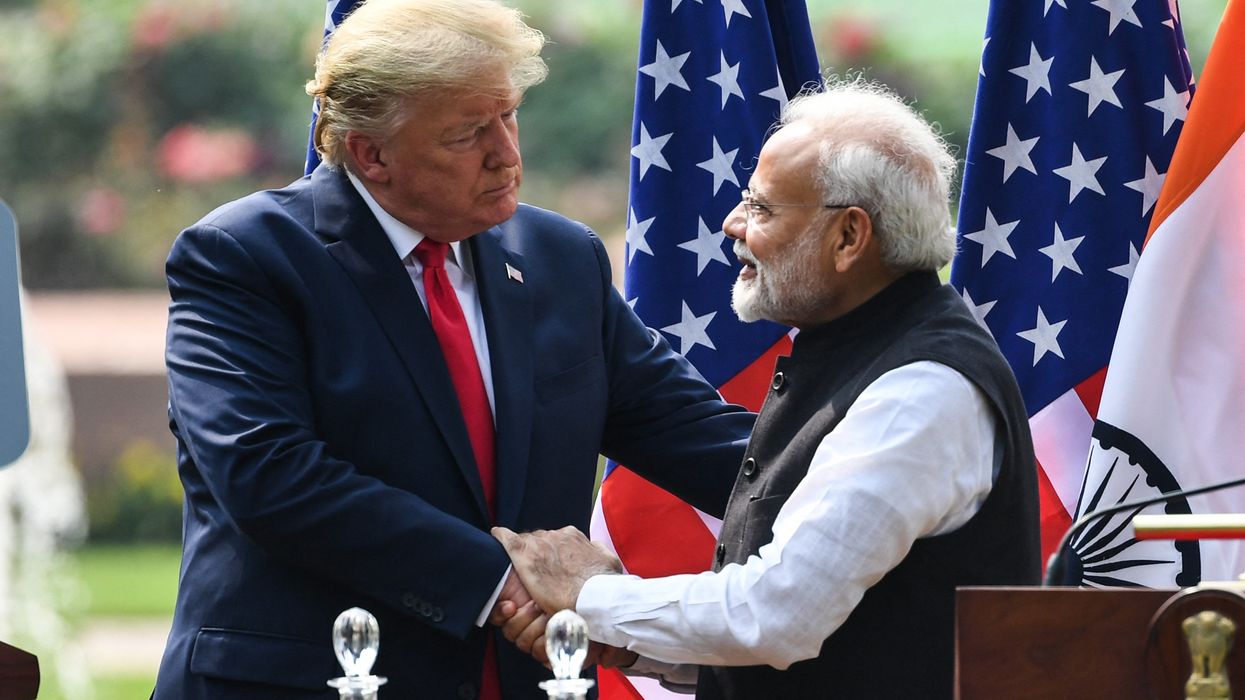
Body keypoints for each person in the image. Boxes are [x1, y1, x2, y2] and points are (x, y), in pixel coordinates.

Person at [153, 1, 753, 698]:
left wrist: (864, 487)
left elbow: (695, 436)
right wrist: (508, 582)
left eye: (509, 114)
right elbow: (270, 476)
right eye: (468, 133)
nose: (506, 153)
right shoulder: (245, 257)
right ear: (370, 153)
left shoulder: (560, 259)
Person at [493, 80, 1041, 699]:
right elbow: (835, 638)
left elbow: (776, 618)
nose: (731, 225)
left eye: (762, 208)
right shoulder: (857, 350)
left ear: (849, 237)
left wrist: (587, 593)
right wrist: (629, 642)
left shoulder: (919, 392)